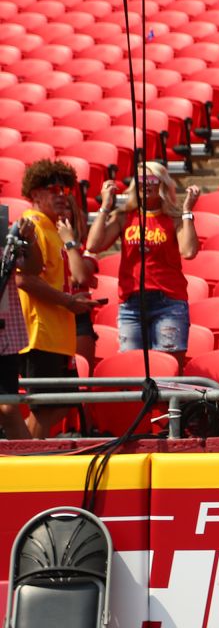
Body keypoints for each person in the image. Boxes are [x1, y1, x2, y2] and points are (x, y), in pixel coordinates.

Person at [87, 163, 201, 370]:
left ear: (162, 184)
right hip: (131, 304)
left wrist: (187, 212)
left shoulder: (173, 218)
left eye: (151, 181)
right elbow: (94, 245)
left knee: (168, 370)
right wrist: (105, 205)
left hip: (168, 302)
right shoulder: (124, 217)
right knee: (132, 369)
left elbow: (189, 251)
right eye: (140, 181)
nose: (145, 185)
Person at [15, 160, 98, 439]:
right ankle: (23, 462)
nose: (62, 194)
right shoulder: (33, 226)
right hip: (40, 333)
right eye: (54, 189)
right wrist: (66, 301)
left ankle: (22, 453)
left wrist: (74, 298)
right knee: (44, 409)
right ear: (35, 194)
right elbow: (23, 279)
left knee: (61, 405)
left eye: (66, 188)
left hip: (58, 333)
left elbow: (66, 277)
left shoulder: (56, 228)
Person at [0, 217, 41, 440]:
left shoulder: (6, 235)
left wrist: (29, 239)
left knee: (8, 409)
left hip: (4, 333)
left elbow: (33, 268)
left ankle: (30, 468)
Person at [57, 185, 99, 372]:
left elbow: (80, 276)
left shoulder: (85, 250)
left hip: (78, 320)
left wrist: (69, 243)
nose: (61, 212)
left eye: (66, 207)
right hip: (51, 314)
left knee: (79, 377)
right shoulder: (41, 243)